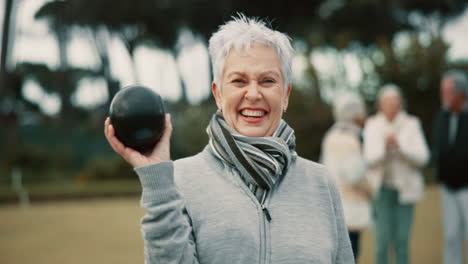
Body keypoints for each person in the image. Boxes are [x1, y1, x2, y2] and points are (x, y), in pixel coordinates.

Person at [104, 15, 353, 264]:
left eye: (267, 81)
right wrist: (157, 180)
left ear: (285, 94)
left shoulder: (322, 184)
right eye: (238, 81)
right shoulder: (177, 180)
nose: (253, 94)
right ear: (218, 94)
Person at [363, 84, 429, 264]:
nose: (392, 106)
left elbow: (423, 158)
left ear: (401, 104)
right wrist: (385, 147)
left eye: (395, 102)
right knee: (382, 242)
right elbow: (368, 158)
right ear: (380, 105)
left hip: (406, 192)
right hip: (381, 191)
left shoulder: (411, 124)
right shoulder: (372, 125)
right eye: (387, 102)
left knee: (402, 241)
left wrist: (400, 146)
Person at [321, 93, 371, 261]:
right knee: (350, 255)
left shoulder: (330, 136)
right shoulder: (349, 139)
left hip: (333, 207)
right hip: (350, 209)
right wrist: (371, 188)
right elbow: (355, 175)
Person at [432, 70, 468, 264]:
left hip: (466, 187)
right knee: (451, 236)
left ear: (460, 93)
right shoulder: (442, 117)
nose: (443, 96)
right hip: (448, 187)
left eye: (447, 92)